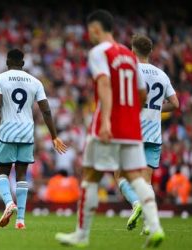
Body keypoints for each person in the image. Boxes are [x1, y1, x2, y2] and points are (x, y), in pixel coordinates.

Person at [55, 10, 164, 248]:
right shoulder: (128, 55)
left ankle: (81, 234)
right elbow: (143, 94)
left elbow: (103, 83)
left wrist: (105, 121)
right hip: (132, 126)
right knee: (136, 177)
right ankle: (155, 227)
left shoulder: (98, 52)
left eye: (89, 30)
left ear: (95, 28)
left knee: (90, 176)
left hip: (108, 123)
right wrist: (129, 113)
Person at [0, 49, 67, 229]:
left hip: (7, 131)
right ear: (23, 63)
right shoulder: (35, 82)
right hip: (27, 132)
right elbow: (46, 110)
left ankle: (8, 203)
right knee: (22, 174)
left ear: (7, 62)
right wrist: (54, 136)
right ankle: (20, 220)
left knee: (2, 172)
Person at [115, 34, 179, 233]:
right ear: (150, 52)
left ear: (132, 51)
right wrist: (157, 108)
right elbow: (175, 104)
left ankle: (135, 203)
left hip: (132, 131)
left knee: (119, 173)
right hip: (154, 134)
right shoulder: (162, 75)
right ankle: (149, 224)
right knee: (146, 181)